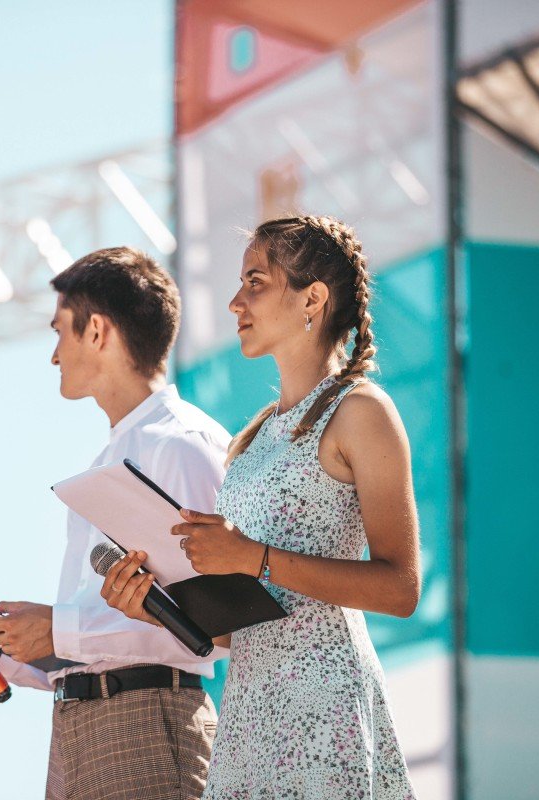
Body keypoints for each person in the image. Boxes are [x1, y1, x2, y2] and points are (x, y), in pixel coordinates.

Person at [102, 215, 422, 799]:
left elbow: (401, 588)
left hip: (325, 707)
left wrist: (254, 556)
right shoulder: (249, 442)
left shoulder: (362, 411)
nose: (235, 302)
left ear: (313, 298)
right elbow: (248, 620)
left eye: (255, 282)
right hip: (247, 718)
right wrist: (157, 607)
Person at [0, 246, 230, 800]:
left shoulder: (183, 444)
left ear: (98, 332)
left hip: (148, 725)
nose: (53, 355)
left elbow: (216, 627)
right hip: (79, 737)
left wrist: (57, 627)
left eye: (60, 331)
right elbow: (101, 638)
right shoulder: (110, 460)